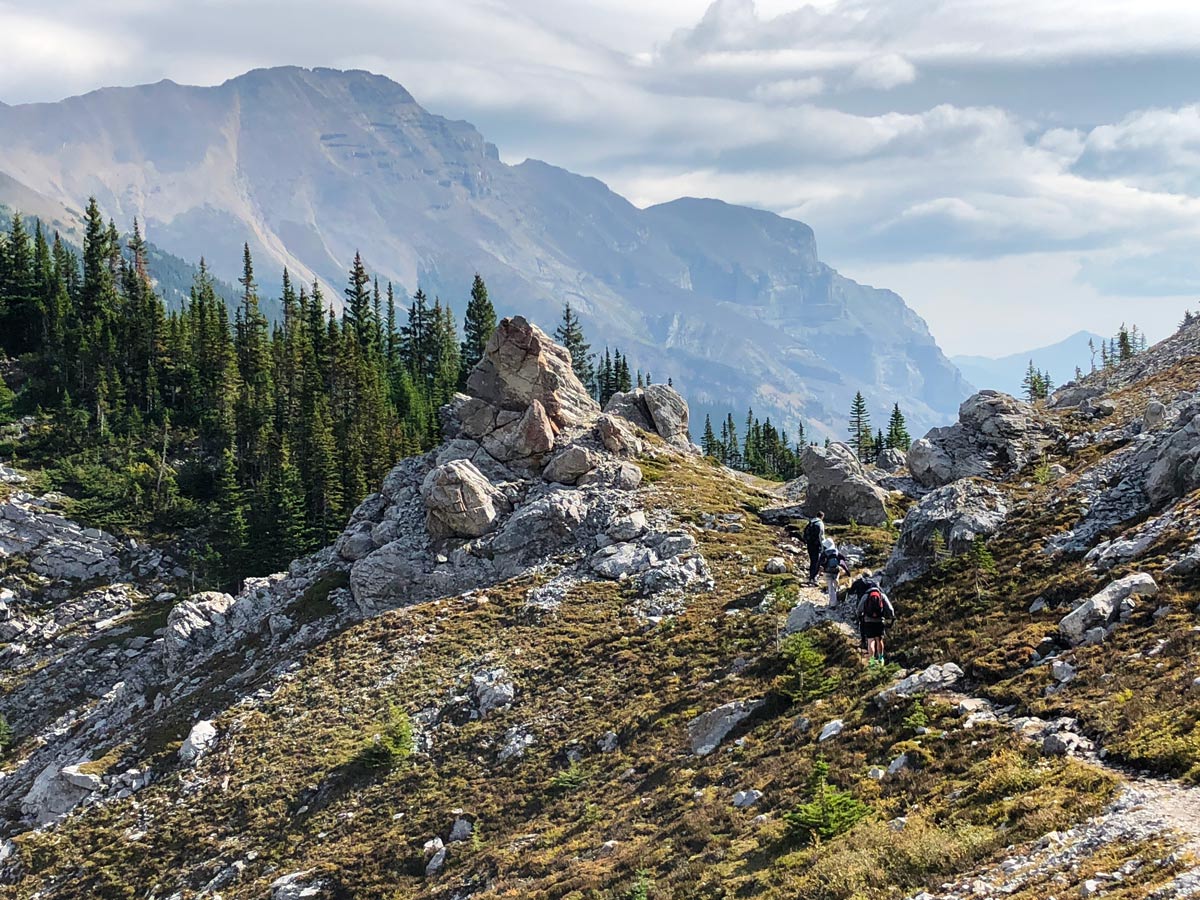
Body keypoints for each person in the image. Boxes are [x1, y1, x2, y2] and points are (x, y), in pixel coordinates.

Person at [857, 580, 896, 666]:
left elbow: (859, 608)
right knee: (879, 639)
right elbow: (890, 608)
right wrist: (892, 617)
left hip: (868, 620)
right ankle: (881, 658)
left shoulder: (866, 595)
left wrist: (860, 616)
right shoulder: (882, 595)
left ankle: (872, 661)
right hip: (879, 620)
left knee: (871, 640)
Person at [818, 538, 851, 607]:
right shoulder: (836, 552)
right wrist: (848, 572)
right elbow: (842, 562)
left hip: (827, 571)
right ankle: (838, 597)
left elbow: (819, 563)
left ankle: (833, 604)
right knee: (835, 584)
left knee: (830, 588)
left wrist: (816, 573)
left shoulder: (824, 553)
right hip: (836, 571)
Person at [803, 512, 825, 585]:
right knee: (816, 561)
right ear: (822, 517)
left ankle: (811, 577)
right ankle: (814, 578)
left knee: (812, 560)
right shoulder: (820, 524)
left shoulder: (811, 522)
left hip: (810, 545)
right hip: (817, 545)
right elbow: (821, 536)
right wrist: (823, 546)